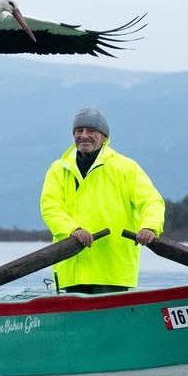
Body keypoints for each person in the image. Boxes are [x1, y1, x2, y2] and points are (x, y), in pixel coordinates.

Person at [40, 107, 165, 293]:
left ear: (104, 137)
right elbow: (50, 207)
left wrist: (149, 227)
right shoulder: (58, 168)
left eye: (91, 131)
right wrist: (72, 230)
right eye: (79, 131)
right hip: (70, 269)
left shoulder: (126, 168)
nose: (84, 136)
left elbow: (152, 201)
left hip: (112, 270)